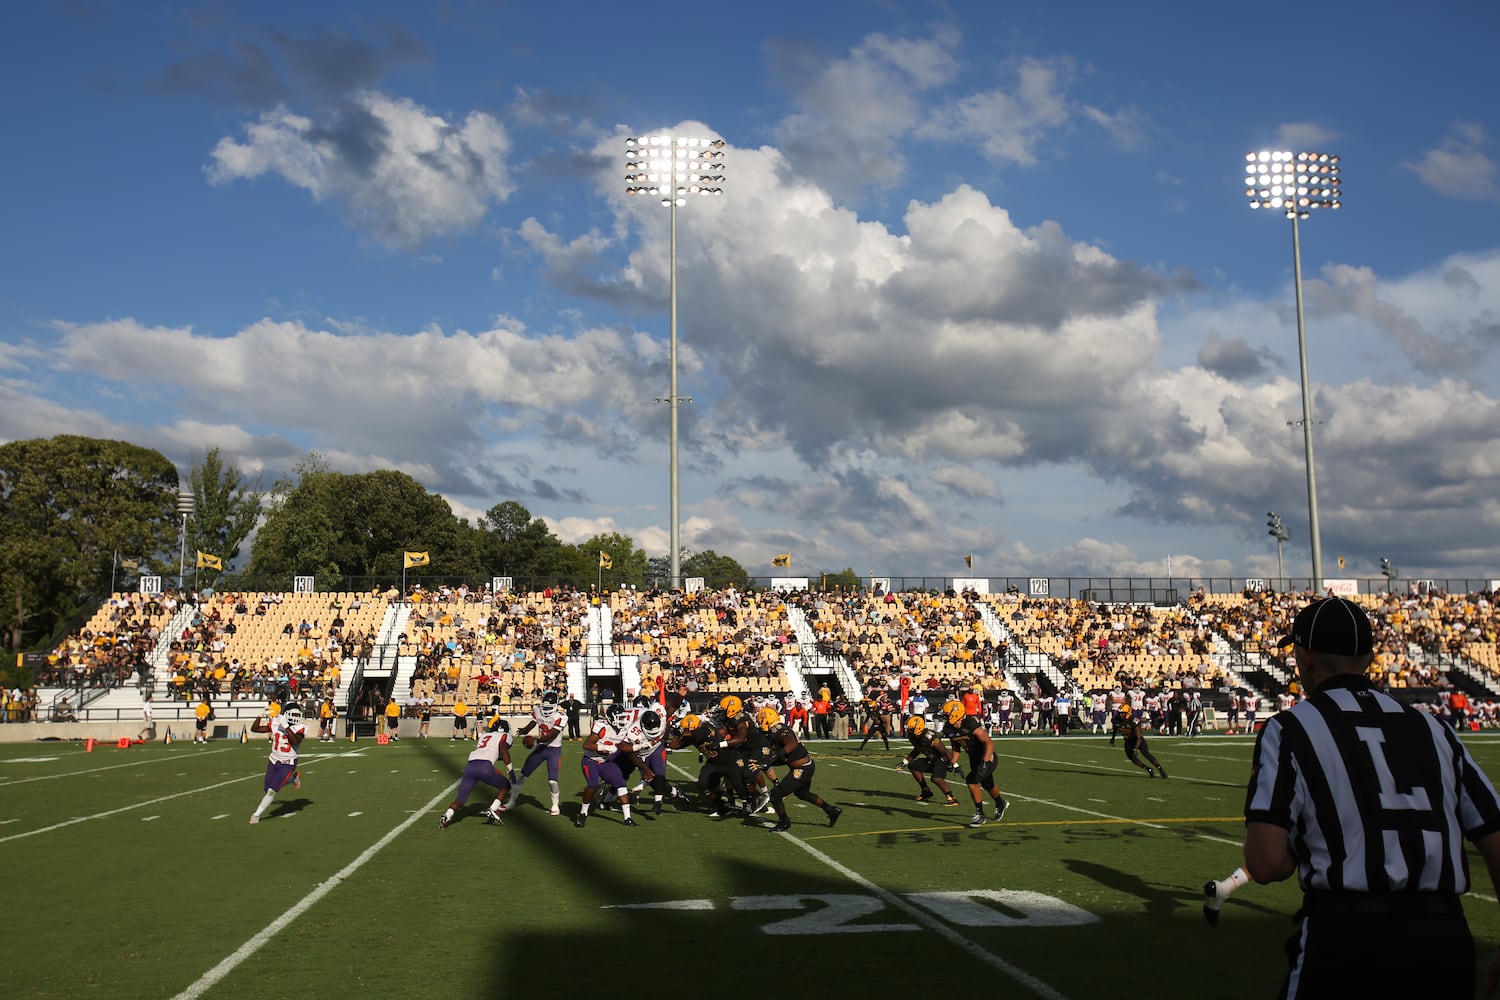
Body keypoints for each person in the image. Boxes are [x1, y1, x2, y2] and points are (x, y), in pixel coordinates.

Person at [1229, 596, 1500, 998]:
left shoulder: (1290, 729)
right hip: (1444, 938)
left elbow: (1265, 863)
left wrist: (1303, 847)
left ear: (1303, 657)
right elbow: (1494, 836)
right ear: (1370, 658)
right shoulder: (1435, 729)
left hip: (1347, 937)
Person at [763, 716, 842, 833]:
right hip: (805, 766)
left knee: (775, 795)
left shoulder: (779, 731)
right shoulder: (779, 730)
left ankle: (784, 822)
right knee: (802, 793)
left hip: (802, 769)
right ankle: (831, 810)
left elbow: (792, 743)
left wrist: (775, 755)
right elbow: (786, 759)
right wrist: (769, 762)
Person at [940, 699, 1009, 828]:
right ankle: (1001, 803)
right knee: (988, 784)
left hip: (987, 756)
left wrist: (985, 761)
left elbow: (989, 742)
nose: (945, 717)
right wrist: (952, 762)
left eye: (947, 714)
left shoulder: (970, 724)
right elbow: (956, 748)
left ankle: (980, 814)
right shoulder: (948, 729)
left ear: (955, 714)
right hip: (973, 758)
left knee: (971, 781)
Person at [439, 716, 514, 829]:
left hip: (470, 766)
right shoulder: (505, 736)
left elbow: (488, 750)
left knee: (460, 799)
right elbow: (503, 750)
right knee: (506, 786)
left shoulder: (484, 736)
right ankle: (493, 809)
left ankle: (447, 815)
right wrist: (511, 771)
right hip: (484, 767)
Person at [502, 691, 566, 815]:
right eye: (544, 706)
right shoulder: (538, 710)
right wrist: (525, 730)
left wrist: (536, 741)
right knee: (522, 775)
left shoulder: (561, 716)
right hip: (541, 749)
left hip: (553, 750)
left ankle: (555, 805)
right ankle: (512, 801)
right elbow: (534, 722)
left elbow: (552, 734)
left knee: (552, 781)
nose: (545, 709)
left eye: (548, 707)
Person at [248, 705, 306, 824]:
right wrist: (259, 715)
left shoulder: (301, 727)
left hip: (288, 762)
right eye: (293, 714)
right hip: (274, 760)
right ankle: (293, 778)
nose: (295, 717)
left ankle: (256, 815)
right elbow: (255, 729)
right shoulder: (276, 724)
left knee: (272, 790)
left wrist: (285, 726)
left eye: (297, 715)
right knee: (267, 788)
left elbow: (295, 741)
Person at [900, 716, 961, 806]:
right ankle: (926, 791)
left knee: (936, 778)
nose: (908, 731)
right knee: (913, 765)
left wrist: (954, 764)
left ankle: (952, 798)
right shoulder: (914, 737)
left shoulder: (928, 736)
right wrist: (904, 762)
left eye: (910, 729)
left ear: (918, 728)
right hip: (932, 759)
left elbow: (944, 751)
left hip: (942, 759)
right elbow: (917, 750)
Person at [1109, 704, 1166, 778]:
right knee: (1132, 757)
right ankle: (1148, 769)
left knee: (1146, 754)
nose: (1121, 715)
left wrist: (1136, 748)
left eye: (1123, 713)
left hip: (1137, 740)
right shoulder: (1116, 719)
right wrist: (1113, 738)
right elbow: (1115, 727)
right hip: (1128, 740)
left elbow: (1139, 736)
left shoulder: (1133, 721)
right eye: (1120, 713)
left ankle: (1160, 769)